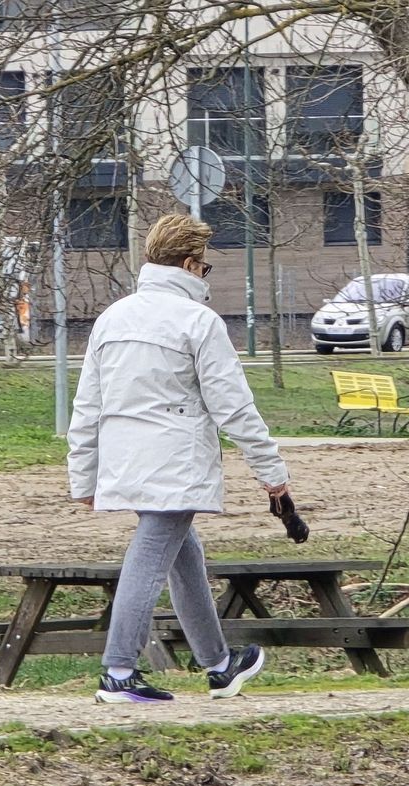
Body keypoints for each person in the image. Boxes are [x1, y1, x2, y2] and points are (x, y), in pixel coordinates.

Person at [68, 213, 289, 703]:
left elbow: (87, 406)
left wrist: (82, 477)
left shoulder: (112, 318)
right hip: (177, 461)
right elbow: (234, 407)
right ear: (189, 264)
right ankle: (119, 670)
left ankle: (219, 665)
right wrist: (272, 474)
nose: (203, 275)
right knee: (149, 558)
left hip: (125, 461)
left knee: (184, 555)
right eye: (204, 267)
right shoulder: (199, 322)